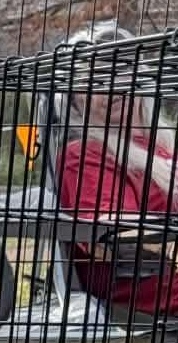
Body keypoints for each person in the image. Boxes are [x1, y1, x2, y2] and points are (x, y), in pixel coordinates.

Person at [56, 20, 178, 320]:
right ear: (77, 101)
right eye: (94, 82)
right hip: (139, 283)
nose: (112, 87)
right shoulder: (83, 154)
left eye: (121, 71)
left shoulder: (162, 144)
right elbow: (109, 236)